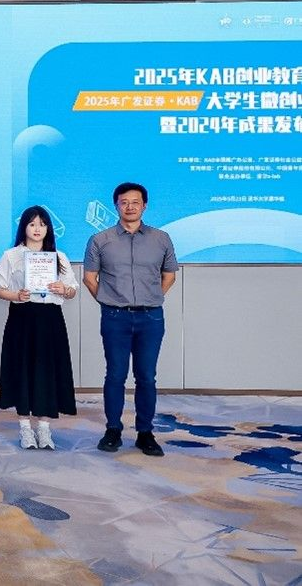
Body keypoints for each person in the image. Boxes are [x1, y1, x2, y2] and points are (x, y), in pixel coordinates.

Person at [83, 182, 177, 457]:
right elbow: (89, 278)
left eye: (135, 202)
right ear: (116, 206)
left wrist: (152, 297)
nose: (130, 207)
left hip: (151, 317)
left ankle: (145, 433)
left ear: (144, 205)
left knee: (146, 376)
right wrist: (108, 300)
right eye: (124, 202)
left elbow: (169, 275)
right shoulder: (100, 240)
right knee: (115, 374)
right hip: (115, 317)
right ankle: (113, 430)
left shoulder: (161, 238)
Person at [0, 206, 78, 450]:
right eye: (32, 224)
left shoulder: (58, 257)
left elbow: (72, 290)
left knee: (47, 371)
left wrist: (64, 290)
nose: (37, 229)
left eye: (42, 224)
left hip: (50, 319)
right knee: (22, 370)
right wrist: (16, 295)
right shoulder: (11, 255)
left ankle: (44, 429)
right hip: (22, 317)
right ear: (24, 228)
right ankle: (25, 429)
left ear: (49, 228)